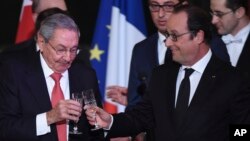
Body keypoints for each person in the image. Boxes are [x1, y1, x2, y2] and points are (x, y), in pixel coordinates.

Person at [86, 5, 250, 141]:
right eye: (167, 36)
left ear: (198, 36)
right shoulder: (160, 75)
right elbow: (141, 116)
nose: (168, 42)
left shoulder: (233, 80)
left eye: (174, 36)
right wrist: (110, 121)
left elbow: (242, 131)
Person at [0, 13, 104, 141]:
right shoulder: (14, 72)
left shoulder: (85, 75)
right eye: (61, 50)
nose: (68, 58)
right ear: (41, 42)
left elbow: (96, 129)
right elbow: (5, 128)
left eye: (73, 50)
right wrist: (49, 117)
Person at [210, 0, 250, 79]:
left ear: (239, 12)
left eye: (219, 14)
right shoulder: (209, 40)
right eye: (212, 13)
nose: (213, 21)